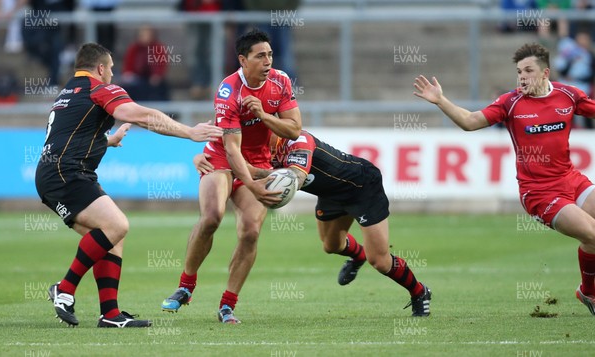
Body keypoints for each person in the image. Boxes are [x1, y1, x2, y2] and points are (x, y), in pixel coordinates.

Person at [35, 43, 222, 328]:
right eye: (110, 68)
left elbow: (69, 136)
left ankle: (109, 314)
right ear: (100, 68)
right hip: (66, 172)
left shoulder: (67, 93)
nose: (112, 74)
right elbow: (143, 116)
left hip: (56, 172)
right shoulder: (101, 89)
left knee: (111, 236)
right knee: (117, 225)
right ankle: (65, 288)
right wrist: (190, 132)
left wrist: (106, 141)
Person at [413, 43, 595, 315]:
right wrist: (441, 101)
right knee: (592, 233)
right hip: (539, 192)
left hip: (572, 179)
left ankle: (588, 292)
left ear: (545, 73)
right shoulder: (511, 103)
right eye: (519, 71)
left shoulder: (569, 95)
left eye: (528, 70)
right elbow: (470, 121)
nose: (522, 77)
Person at [194, 130, 433, 317]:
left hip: (362, 187)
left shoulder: (298, 141)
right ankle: (357, 256)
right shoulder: (262, 150)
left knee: (379, 261)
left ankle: (420, 292)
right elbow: (228, 157)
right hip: (331, 195)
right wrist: (201, 158)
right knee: (331, 245)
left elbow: (292, 178)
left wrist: (248, 171)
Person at [160, 29, 301, 324]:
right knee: (212, 216)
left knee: (250, 231)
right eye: (260, 56)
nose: (268, 61)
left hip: (260, 161)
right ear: (243, 59)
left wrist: (263, 115)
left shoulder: (281, 81)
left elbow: (294, 130)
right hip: (222, 158)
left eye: (270, 55)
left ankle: (227, 305)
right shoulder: (228, 90)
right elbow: (232, 148)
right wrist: (250, 184)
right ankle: (186, 286)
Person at [121, 25, 170, 102]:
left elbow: (161, 64)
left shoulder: (158, 47)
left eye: (147, 35)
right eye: (142, 35)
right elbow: (128, 65)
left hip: (153, 79)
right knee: (130, 87)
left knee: (159, 87)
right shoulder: (134, 48)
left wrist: (157, 75)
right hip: (138, 78)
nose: (144, 37)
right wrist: (128, 74)